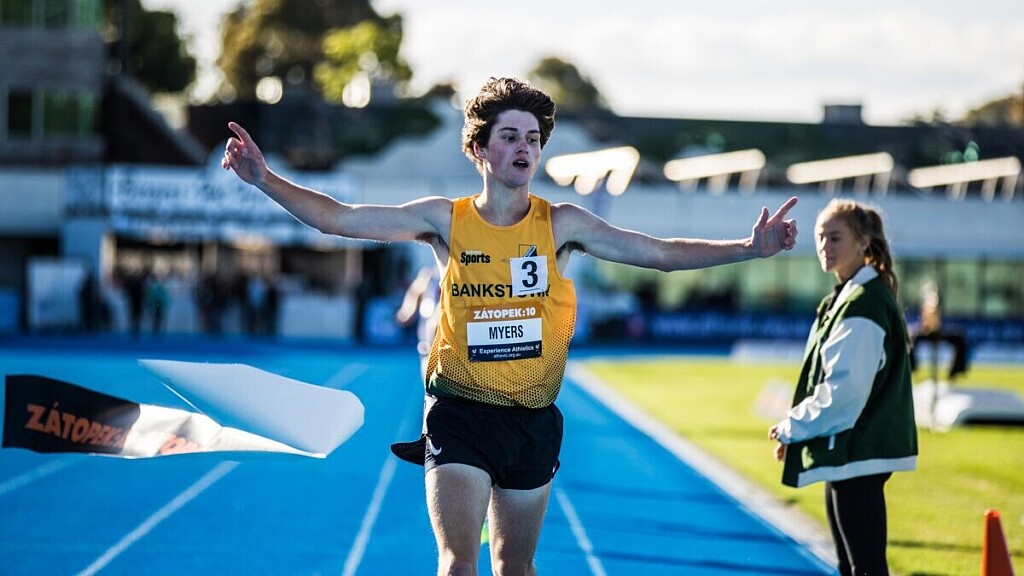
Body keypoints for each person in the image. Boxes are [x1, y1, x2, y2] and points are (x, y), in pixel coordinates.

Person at [223, 76, 799, 576]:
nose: (525, 147)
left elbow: (660, 254)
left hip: (531, 421)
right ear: (479, 149)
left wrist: (748, 248)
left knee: (513, 567)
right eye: (510, 136)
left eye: (533, 138)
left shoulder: (562, 225)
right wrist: (265, 179)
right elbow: (338, 219)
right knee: (458, 562)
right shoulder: (444, 220)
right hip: (458, 413)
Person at [768, 198, 918, 576]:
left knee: (864, 568)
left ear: (863, 242)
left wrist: (792, 426)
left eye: (835, 238)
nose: (825, 246)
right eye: (820, 237)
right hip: (849, 451)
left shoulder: (864, 303)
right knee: (852, 567)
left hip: (858, 450)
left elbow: (844, 392)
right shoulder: (847, 297)